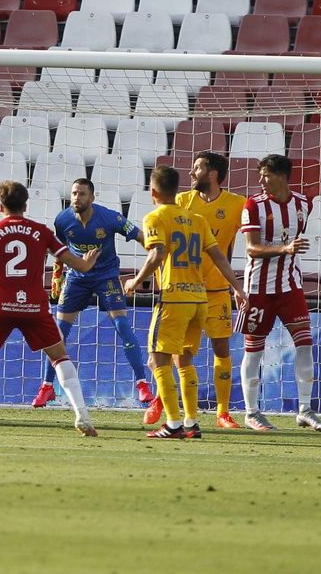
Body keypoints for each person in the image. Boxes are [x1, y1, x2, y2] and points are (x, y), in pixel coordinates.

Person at [0, 181, 102, 436]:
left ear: (2, 206)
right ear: (25, 205)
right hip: (34, 306)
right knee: (59, 356)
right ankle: (83, 417)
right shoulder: (42, 231)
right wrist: (87, 264)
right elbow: (74, 263)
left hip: (0, 305)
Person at [123, 166, 246, 439]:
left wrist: (135, 281)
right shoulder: (197, 219)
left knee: (158, 360)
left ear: (153, 192)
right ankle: (191, 422)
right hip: (199, 299)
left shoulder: (155, 217)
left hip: (173, 297)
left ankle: (173, 423)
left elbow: (157, 253)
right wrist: (238, 288)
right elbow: (219, 257)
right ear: (177, 191)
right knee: (185, 361)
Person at [31, 177, 151, 411]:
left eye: (82, 194)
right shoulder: (63, 219)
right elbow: (59, 249)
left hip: (106, 276)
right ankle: (47, 387)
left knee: (122, 326)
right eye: (74, 193)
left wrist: (157, 254)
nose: (77, 197)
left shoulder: (109, 218)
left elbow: (140, 236)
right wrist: (57, 275)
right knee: (57, 333)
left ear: (92, 198)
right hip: (76, 278)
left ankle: (142, 384)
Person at [237, 154, 321, 432]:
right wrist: (284, 249)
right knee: (254, 351)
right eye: (260, 175)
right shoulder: (253, 205)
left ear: (282, 176)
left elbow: (294, 238)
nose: (262, 180)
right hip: (258, 289)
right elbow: (251, 248)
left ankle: (305, 410)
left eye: (267, 175)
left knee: (304, 344)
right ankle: (252, 412)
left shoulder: (303, 204)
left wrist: (289, 251)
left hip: (290, 287)